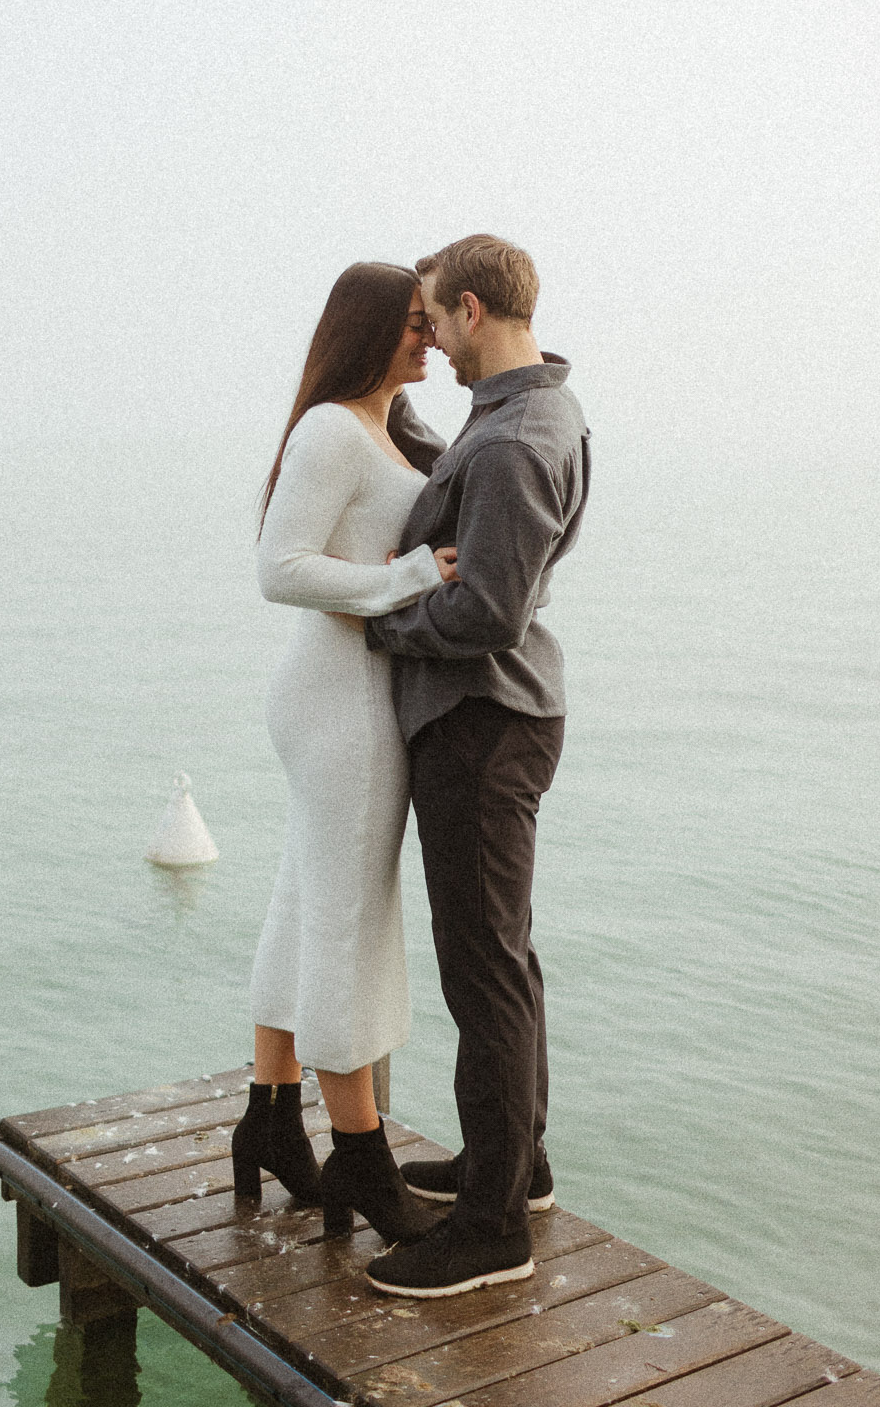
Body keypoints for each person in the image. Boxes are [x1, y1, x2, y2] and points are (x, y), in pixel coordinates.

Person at [359, 234, 590, 1298]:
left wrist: (390, 619)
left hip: (480, 724)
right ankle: (516, 1162)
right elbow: (470, 496)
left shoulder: (507, 443)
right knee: (508, 954)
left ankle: (493, 1227)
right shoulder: (530, 413)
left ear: (467, 309)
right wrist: (386, 411)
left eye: (434, 322)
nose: (433, 343)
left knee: (481, 967)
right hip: (507, 718)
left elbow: (486, 607)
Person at [231, 262, 454, 1243]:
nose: (431, 337)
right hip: (341, 696)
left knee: (301, 903)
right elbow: (280, 567)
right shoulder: (331, 426)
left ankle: (271, 1117)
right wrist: (410, 574)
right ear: (367, 328)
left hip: (344, 692)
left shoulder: (386, 426)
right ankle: (360, 1150)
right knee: (345, 921)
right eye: (413, 323)